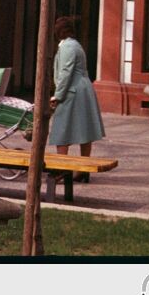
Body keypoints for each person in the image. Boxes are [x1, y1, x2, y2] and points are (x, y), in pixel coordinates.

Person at [48, 17, 105, 181]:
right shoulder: (75, 45)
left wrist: (57, 95)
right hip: (82, 89)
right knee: (84, 130)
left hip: (73, 90)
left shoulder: (68, 47)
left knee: (62, 130)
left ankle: (62, 168)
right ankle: (83, 169)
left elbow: (66, 72)